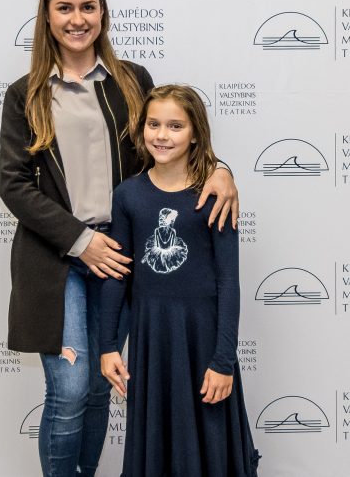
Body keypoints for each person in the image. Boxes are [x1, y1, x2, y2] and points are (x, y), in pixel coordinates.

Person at [0, 0, 239, 475]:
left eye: (88, 6)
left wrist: (221, 168)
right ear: (46, 16)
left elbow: (169, 141)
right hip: (55, 259)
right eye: (64, 7)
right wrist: (82, 241)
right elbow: (14, 185)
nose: (77, 18)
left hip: (124, 258)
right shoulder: (24, 95)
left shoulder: (131, 80)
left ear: (103, 13)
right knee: (68, 389)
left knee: (98, 386)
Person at [100, 85, 260, 477]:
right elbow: (118, 275)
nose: (162, 134)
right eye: (154, 124)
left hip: (202, 342)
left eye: (175, 125)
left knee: (208, 443)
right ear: (141, 130)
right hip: (152, 340)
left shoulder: (214, 193)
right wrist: (108, 346)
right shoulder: (127, 196)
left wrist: (223, 360)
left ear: (195, 133)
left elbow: (228, 281)